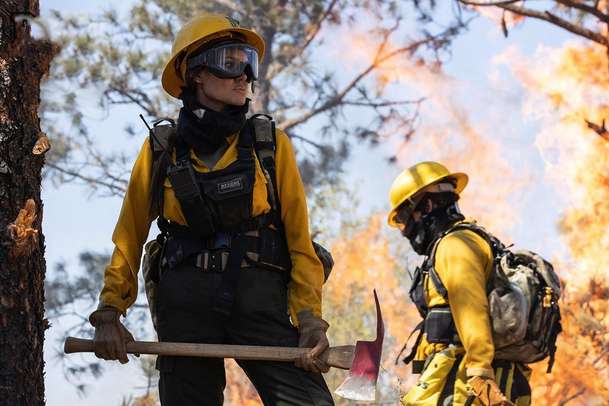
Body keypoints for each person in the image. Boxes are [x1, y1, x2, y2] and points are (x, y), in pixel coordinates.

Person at [88, 13, 335, 406]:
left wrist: (309, 320)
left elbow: (300, 242)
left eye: (249, 64)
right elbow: (129, 236)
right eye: (230, 62)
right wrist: (109, 313)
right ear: (196, 73)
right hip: (185, 304)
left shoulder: (270, 145)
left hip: (259, 298)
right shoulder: (161, 149)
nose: (244, 76)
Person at [387, 161, 531, 406]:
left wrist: (480, 372)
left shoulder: (455, 246)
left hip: (467, 381)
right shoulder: (468, 240)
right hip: (473, 375)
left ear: (427, 206)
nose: (404, 230)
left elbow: (471, 308)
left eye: (403, 217)